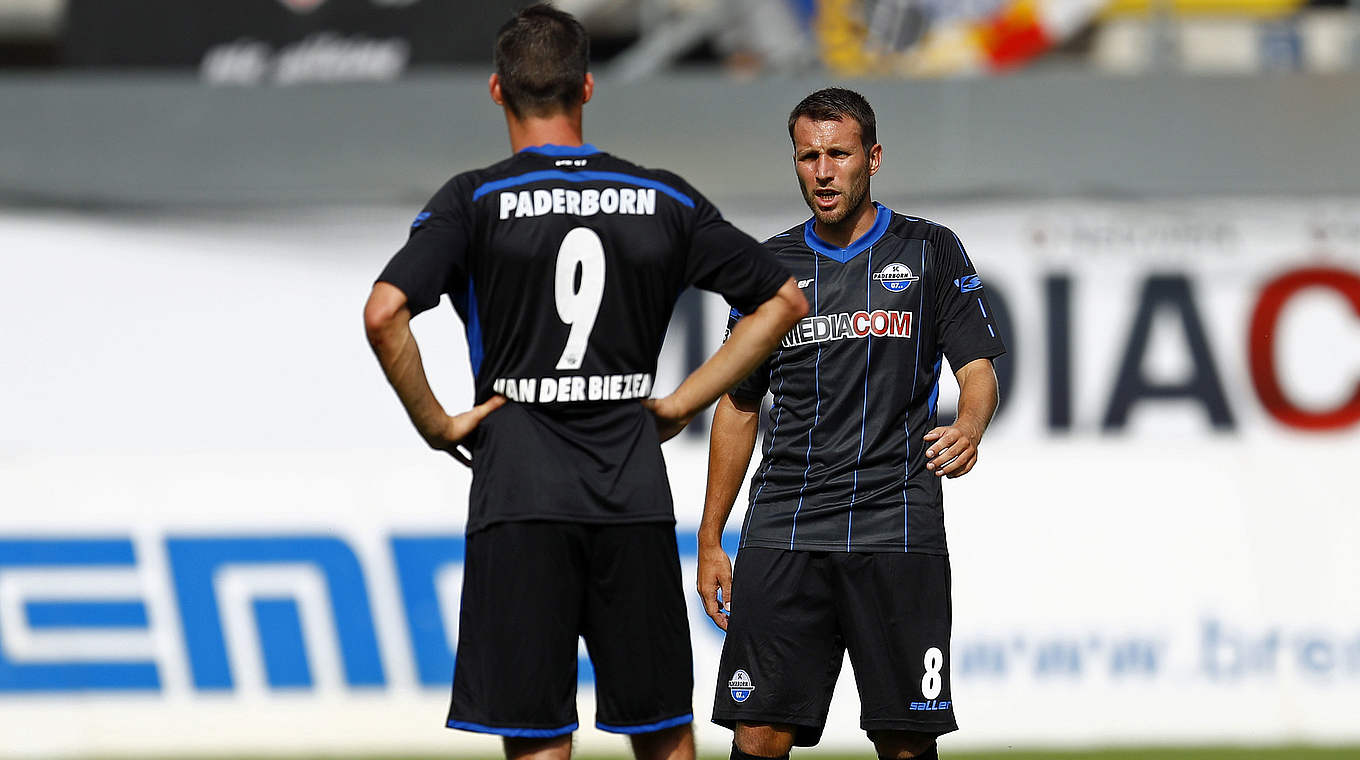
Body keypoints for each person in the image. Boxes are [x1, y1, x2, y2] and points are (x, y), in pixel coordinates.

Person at [362, 6, 807, 760]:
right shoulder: (661, 197)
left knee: (538, 734)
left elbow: (384, 313)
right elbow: (784, 300)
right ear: (588, 88)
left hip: (519, 490)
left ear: (498, 90)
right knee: (661, 727)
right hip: (629, 487)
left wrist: (437, 423)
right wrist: (679, 403)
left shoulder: (475, 198)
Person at [697, 87, 1006, 760]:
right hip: (785, 526)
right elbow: (739, 403)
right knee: (759, 730)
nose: (824, 171)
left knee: (904, 735)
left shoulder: (929, 250)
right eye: (809, 156)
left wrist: (971, 427)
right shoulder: (768, 268)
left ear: (873, 157)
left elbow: (976, 371)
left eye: (839, 153)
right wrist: (712, 536)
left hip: (894, 524)